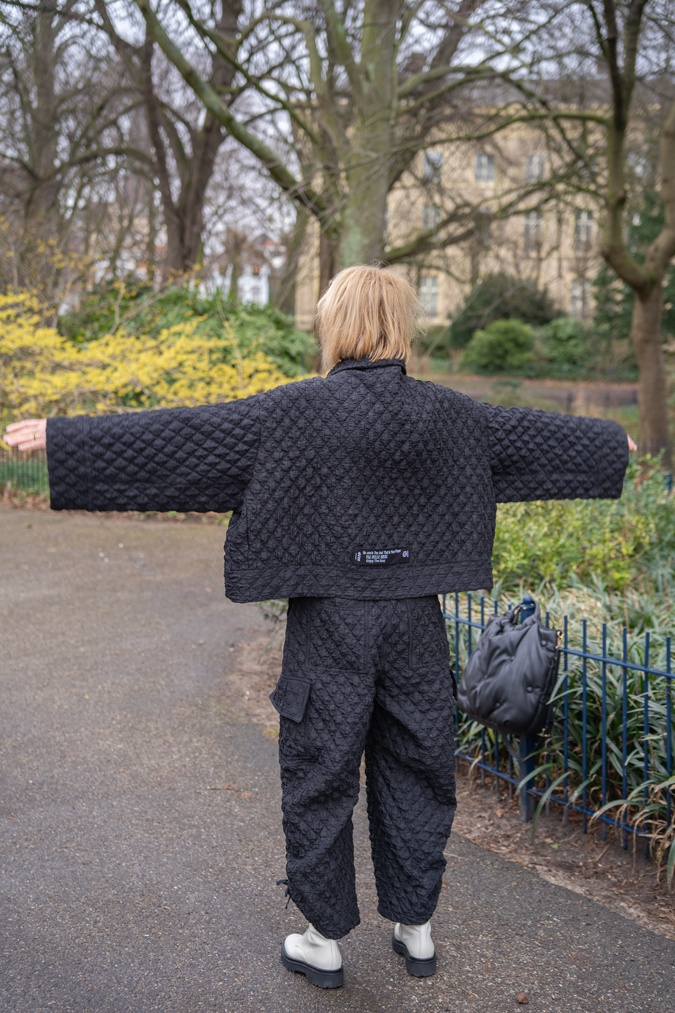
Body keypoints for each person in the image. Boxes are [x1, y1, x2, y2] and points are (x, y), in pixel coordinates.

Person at [5, 265, 635, 990]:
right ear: (401, 325)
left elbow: (182, 438)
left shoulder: (291, 410)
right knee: (417, 765)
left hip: (329, 622)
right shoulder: (452, 413)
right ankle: (415, 925)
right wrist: (604, 446)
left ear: (336, 324)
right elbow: (534, 438)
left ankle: (323, 936)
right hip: (412, 622)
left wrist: (62, 438)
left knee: (319, 770)